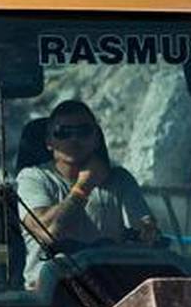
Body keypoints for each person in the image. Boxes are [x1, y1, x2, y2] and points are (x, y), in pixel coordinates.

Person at [16, 99, 158, 296]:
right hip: (49, 297)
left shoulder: (120, 180)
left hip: (112, 292)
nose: (74, 139)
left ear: (96, 138)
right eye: (63, 132)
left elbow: (146, 235)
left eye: (83, 131)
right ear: (49, 141)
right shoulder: (33, 178)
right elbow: (48, 232)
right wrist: (84, 186)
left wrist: (146, 231)